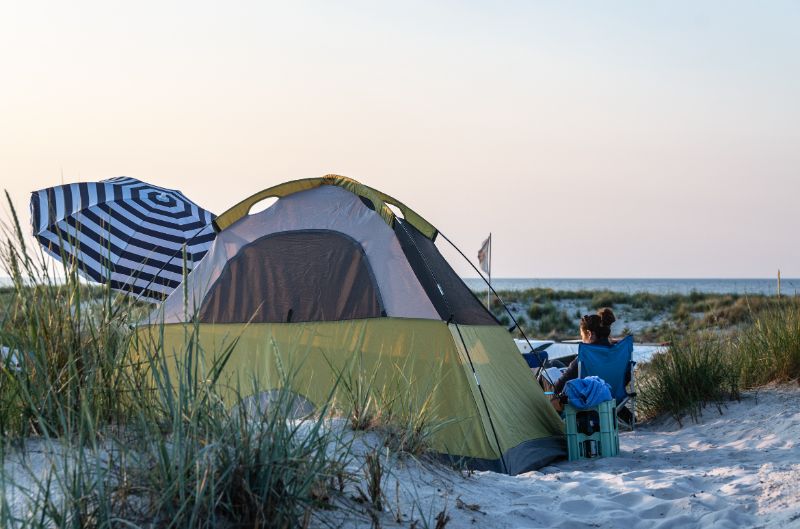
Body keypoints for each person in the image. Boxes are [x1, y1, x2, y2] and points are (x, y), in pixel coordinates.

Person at [549, 308, 616, 410]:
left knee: (550, 367)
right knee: (555, 362)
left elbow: (558, 386)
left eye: (582, 336)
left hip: (589, 401)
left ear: (589, 334)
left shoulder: (585, 357)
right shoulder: (618, 352)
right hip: (615, 397)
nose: (582, 340)